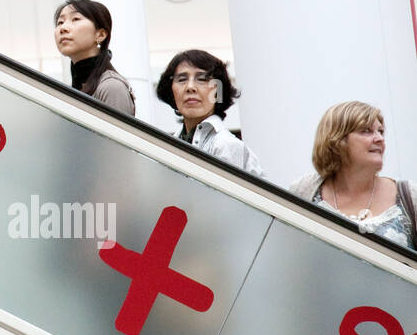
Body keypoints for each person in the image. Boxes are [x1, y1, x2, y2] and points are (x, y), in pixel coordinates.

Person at [290, 101, 413, 250]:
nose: (380, 139)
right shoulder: (304, 191)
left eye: (380, 131)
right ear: (337, 140)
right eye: (366, 131)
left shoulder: (410, 196)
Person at [154, 49, 264, 176]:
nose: (190, 87)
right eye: (182, 79)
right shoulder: (169, 146)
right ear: (171, 90)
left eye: (201, 79)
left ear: (218, 90)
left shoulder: (226, 145)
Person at [53, 0, 135, 116]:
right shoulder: (77, 88)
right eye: (60, 22)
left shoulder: (111, 87)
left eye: (75, 19)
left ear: (100, 35)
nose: (63, 28)